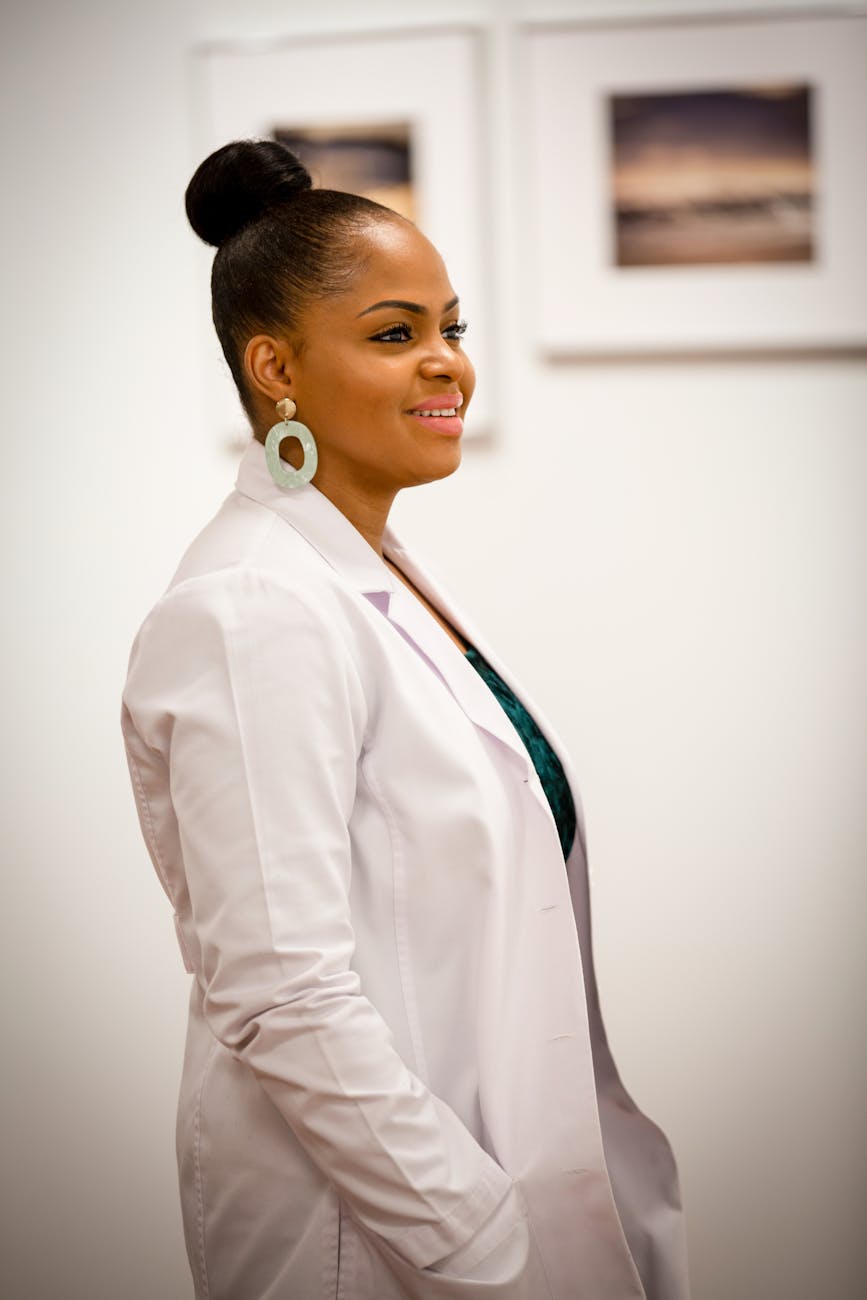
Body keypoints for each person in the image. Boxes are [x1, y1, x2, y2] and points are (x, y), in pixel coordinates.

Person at [121, 139, 690, 1300]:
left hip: (489, 1191)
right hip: (378, 1239)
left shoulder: (370, 570)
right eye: (394, 333)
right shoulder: (251, 605)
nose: (448, 364)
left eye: (453, 327)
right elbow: (282, 992)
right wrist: (478, 1238)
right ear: (275, 365)